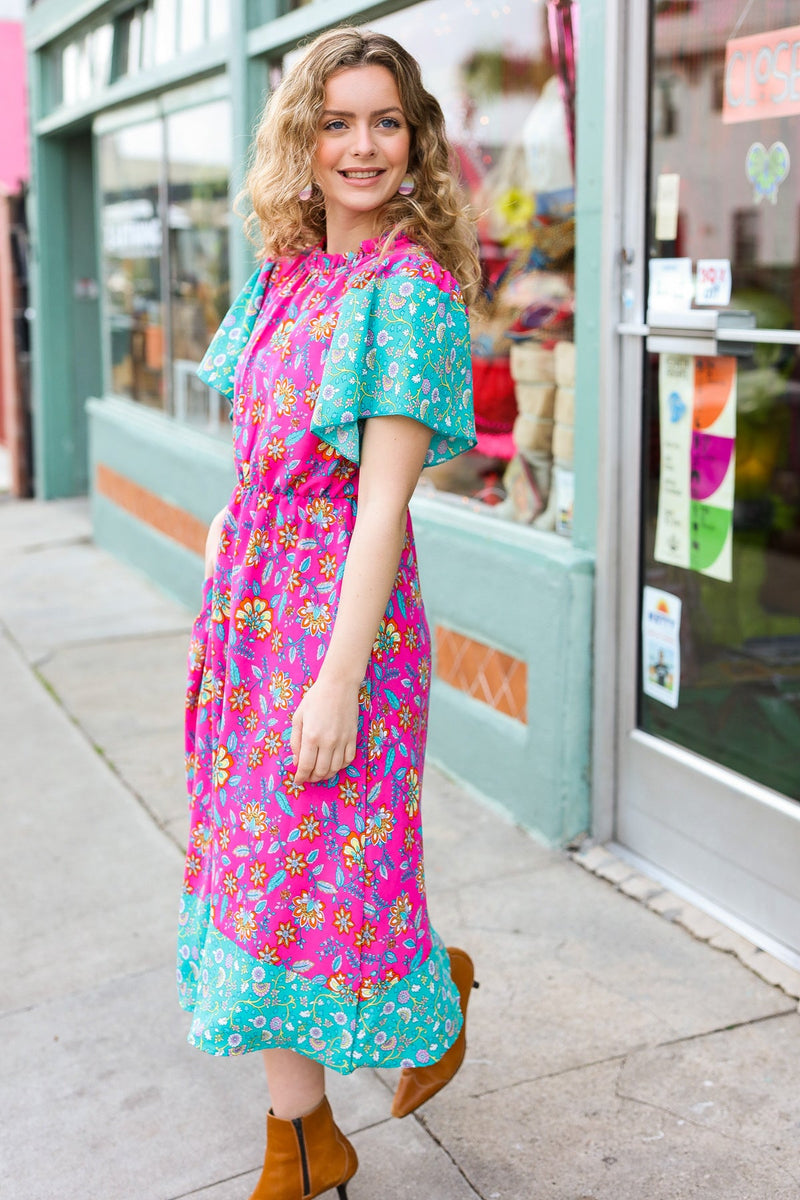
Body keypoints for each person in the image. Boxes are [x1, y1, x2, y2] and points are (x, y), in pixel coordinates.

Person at [177, 26, 481, 1200]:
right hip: (250, 614)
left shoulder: (407, 292)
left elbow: (382, 512)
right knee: (251, 880)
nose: (360, 147)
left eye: (384, 122)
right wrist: (221, 538)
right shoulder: (284, 272)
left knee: (318, 883)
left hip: (339, 624)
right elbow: (256, 452)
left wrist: (337, 679)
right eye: (336, 122)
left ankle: (425, 997)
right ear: (300, 142)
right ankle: (303, 1144)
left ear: (414, 142)